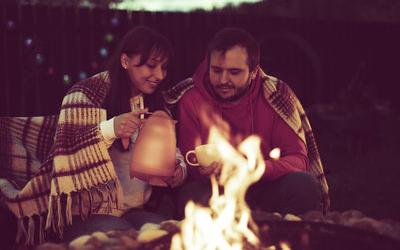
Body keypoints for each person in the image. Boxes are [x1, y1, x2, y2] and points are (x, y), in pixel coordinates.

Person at [0, 25, 186, 246]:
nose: (159, 75)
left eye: (164, 67)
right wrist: (110, 129)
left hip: (135, 209)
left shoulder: (158, 105)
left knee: (169, 238)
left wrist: (179, 171)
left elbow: (173, 153)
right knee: (119, 243)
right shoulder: (85, 97)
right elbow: (66, 153)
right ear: (125, 61)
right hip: (87, 214)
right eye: (151, 66)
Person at [163, 27, 329, 218]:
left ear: (253, 72)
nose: (223, 79)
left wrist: (253, 169)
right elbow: (189, 164)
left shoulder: (276, 95)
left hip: (265, 187)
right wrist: (207, 172)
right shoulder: (191, 98)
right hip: (217, 193)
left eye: (234, 72)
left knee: (304, 184)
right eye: (216, 70)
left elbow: (299, 160)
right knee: (191, 196)